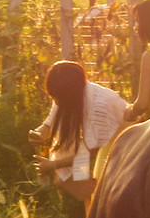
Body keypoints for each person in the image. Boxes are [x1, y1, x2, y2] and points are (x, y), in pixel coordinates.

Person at [29, 59, 127, 202]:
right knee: (68, 177)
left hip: (124, 145)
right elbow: (50, 123)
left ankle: (99, 210)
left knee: (75, 179)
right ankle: (94, 213)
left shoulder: (99, 107)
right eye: (52, 97)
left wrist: (54, 164)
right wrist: (38, 134)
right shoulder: (71, 92)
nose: (55, 102)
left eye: (56, 97)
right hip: (105, 146)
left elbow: (93, 152)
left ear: (68, 94)